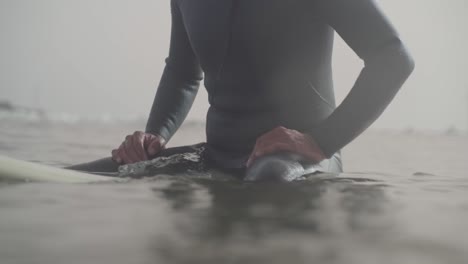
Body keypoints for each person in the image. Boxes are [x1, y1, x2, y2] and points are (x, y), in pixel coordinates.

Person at [68, 0, 414, 180]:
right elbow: (182, 73)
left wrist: (319, 142)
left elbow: (392, 57)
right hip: (219, 155)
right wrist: (154, 135)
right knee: (102, 174)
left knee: (268, 178)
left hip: (298, 162)